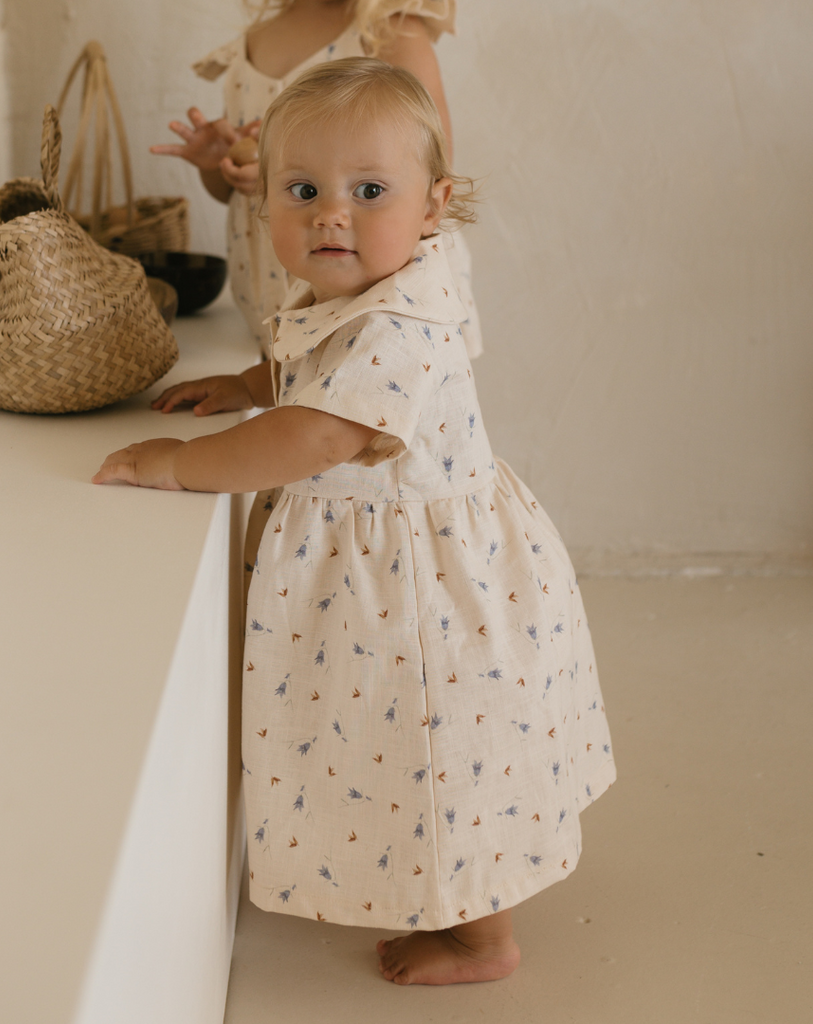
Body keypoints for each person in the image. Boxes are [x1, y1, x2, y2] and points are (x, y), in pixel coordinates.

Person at [95, 58, 615, 986]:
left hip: (420, 589)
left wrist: (180, 468)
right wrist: (248, 384)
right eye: (303, 190)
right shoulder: (356, 287)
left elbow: (318, 430)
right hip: (388, 563)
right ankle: (412, 878)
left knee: (441, 747)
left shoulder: (404, 323)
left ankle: (483, 940)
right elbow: (305, 369)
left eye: (368, 190)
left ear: (433, 206)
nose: (330, 213)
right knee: (391, 739)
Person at [150, 0, 482, 360]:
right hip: (284, 282)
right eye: (305, 190)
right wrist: (219, 165)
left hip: (373, 292)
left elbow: (431, 165)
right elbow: (236, 192)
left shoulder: (391, 29)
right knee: (296, 376)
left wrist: (294, 183)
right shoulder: (259, 37)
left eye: (369, 189)